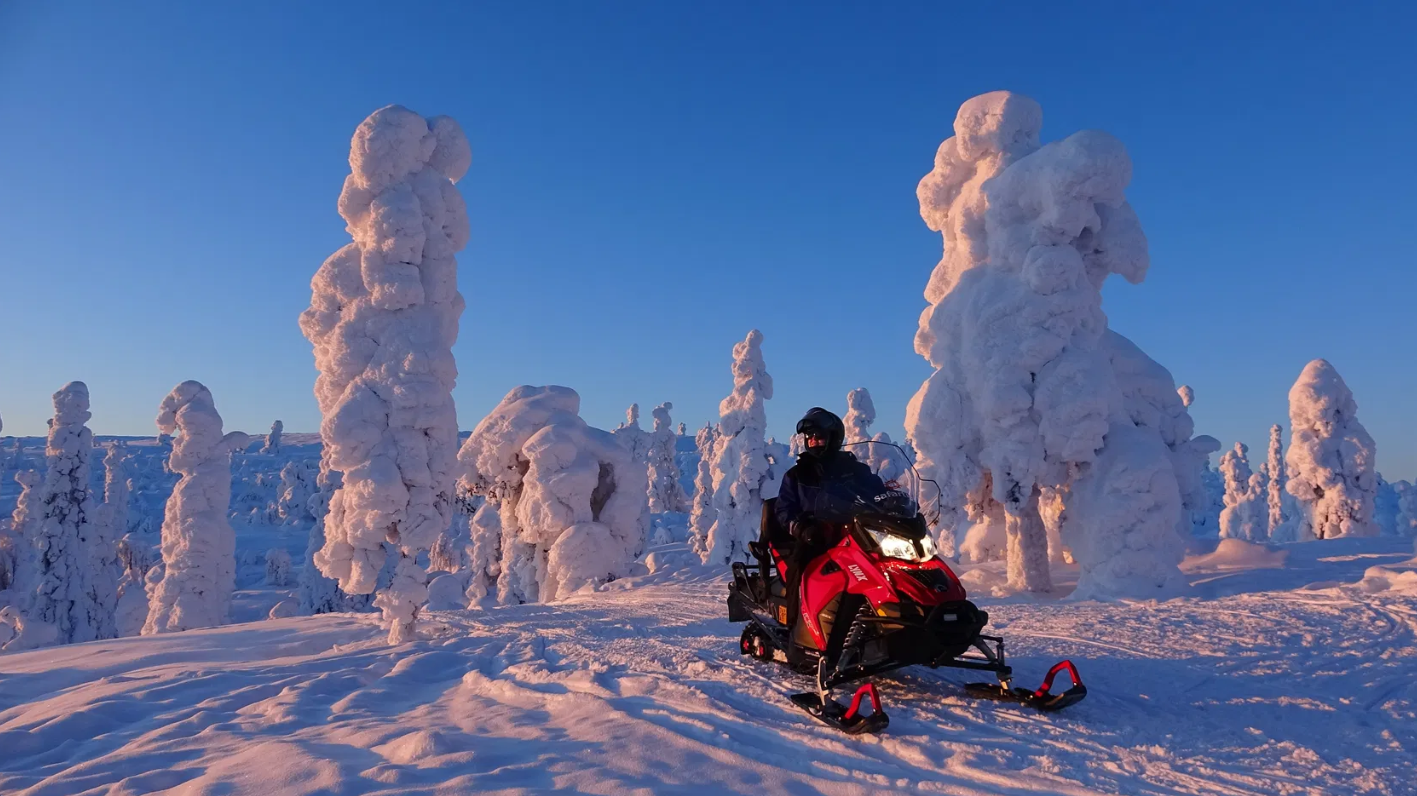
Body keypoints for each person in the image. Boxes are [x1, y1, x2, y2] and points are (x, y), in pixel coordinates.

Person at [775, 408, 888, 662]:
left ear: (834, 437)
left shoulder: (854, 469)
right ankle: (795, 633)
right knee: (801, 566)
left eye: (819, 436)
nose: (813, 441)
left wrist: (896, 505)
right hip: (816, 536)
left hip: (855, 534)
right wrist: (802, 528)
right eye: (810, 437)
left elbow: (878, 493)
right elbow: (783, 510)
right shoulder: (797, 474)